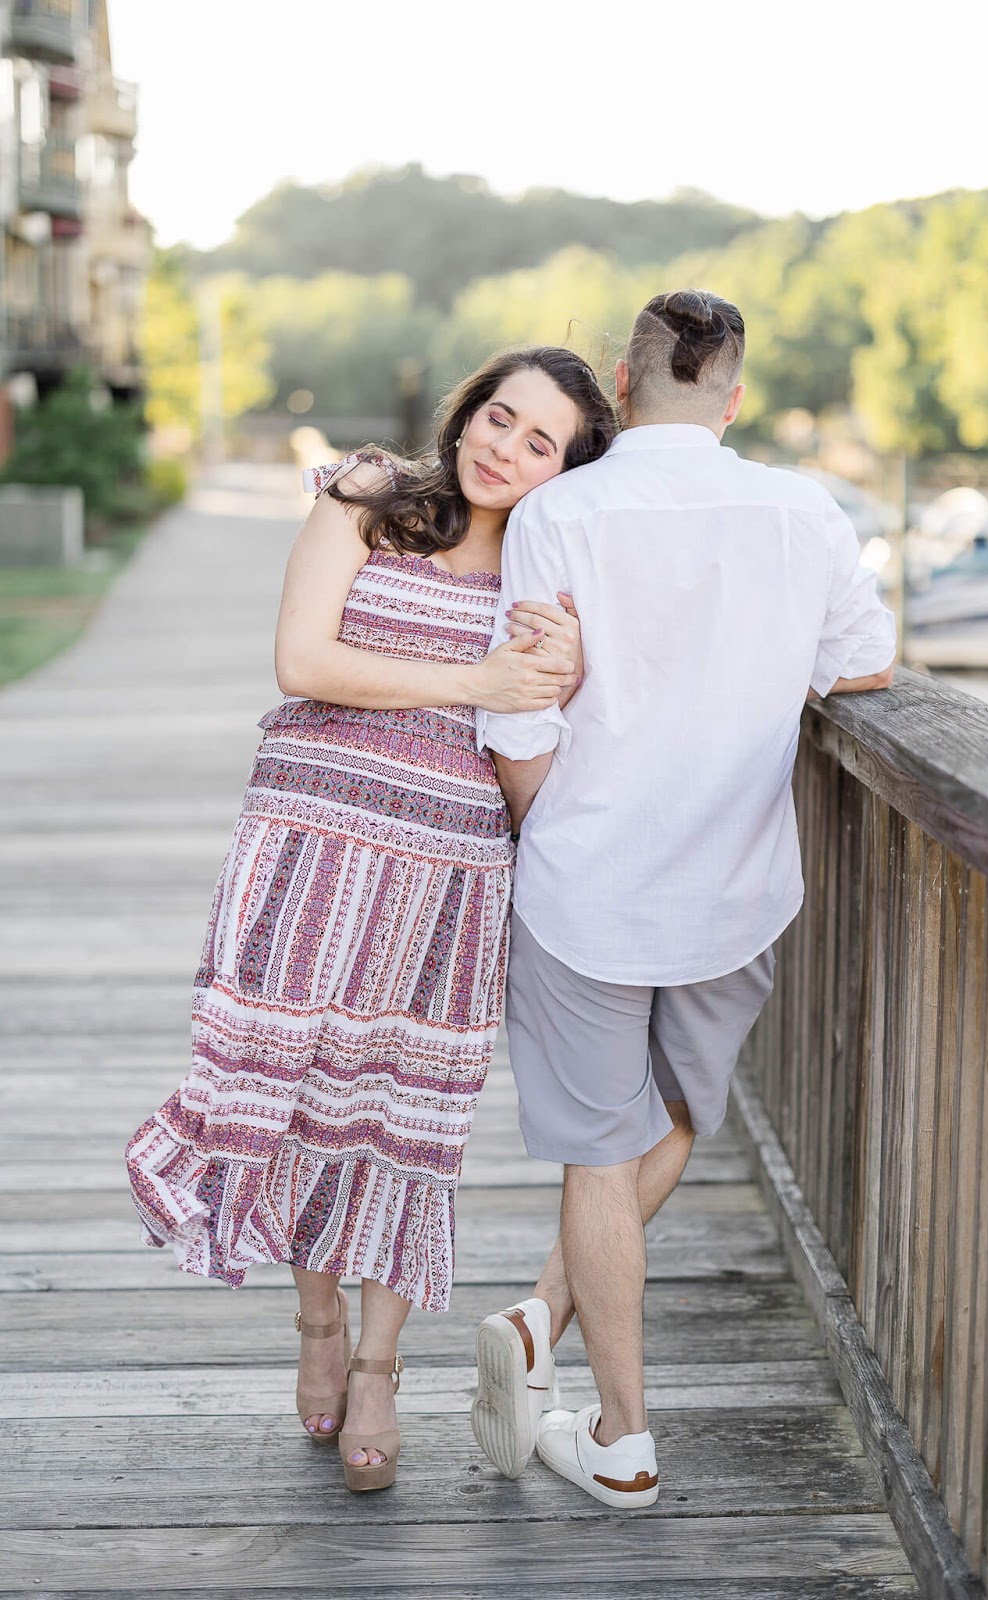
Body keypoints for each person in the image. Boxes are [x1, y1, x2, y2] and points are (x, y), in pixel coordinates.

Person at [125, 346, 617, 1493]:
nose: (504, 446)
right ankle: (317, 1326)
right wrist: (472, 682)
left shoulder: (550, 580)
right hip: (308, 844)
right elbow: (302, 658)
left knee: (403, 1109)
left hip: (448, 870)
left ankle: (384, 1362)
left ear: (567, 472)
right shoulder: (365, 495)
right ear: (469, 408)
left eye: (539, 442)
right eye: (500, 415)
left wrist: (554, 676)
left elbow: (542, 741)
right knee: (297, 1087)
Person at [469, 290, 896, 1508]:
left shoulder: (558, 512)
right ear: (734, 397)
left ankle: (618, 1422)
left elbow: (516, 708)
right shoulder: (803, 511)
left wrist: (548, 822)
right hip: (731, 884)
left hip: (585, 888)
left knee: (604, 1151)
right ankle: (585, 1391)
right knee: (673, 1118)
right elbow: (860, 666)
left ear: (622, 379)